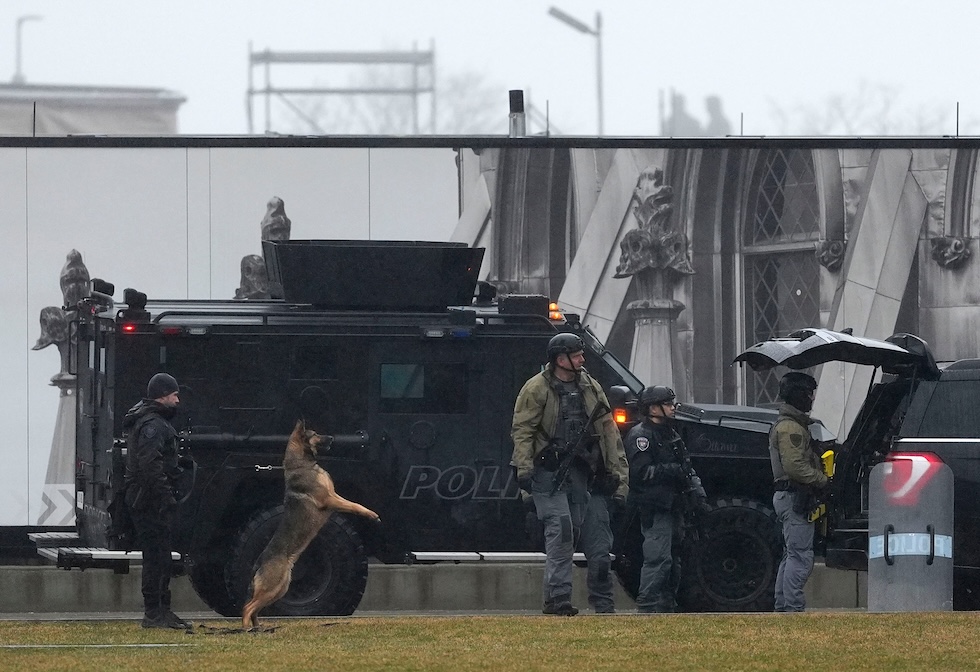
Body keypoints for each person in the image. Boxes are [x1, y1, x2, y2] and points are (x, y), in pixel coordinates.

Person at [511, 333, 629, 616]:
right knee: (562, 531)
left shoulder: (590, 386)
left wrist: (618, 477)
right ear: (561, 359)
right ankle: (558, 599)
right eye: (577, 355)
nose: (582, 359)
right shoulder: (536, 388)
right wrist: (525, 471)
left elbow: (608, 432)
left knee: (581, 535)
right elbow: (523, 431)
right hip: (547, 473)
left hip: (582, 473)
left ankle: (579, 603)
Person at [624, 385, 708, 613]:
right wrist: (672, 470)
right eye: (668, 404)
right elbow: (641, 473)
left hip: (675, 505)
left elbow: (687, 468)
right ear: (653, 408)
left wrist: (698, 495)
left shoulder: (671, 433)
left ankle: (666, 605)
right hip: (655, 506)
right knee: (658, 558)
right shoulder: (641, 435)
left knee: (674, 559)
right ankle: (648, 606)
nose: (673, 408)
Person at [123, 372, 192, 630]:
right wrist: (166, 497)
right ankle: (154, 614)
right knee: (156, 558)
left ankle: (162, 611)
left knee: (161, 557)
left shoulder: (153, 421)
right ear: (163, 395)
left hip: (149, 499)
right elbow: (149, 466)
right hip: (149, 501)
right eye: (174, 395)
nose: (178, 400)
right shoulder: (153, 425)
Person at [769, 372, 828, 613]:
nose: (812, 399)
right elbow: (796, 467)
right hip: (795, 497)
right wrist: (823, 480)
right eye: (808, 394)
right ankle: (792, 608)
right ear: (798, 395)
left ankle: (785, 607)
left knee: (791, 555)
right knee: (801, 557)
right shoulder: (791, 428)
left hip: (790, 497)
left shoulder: (793, 425)